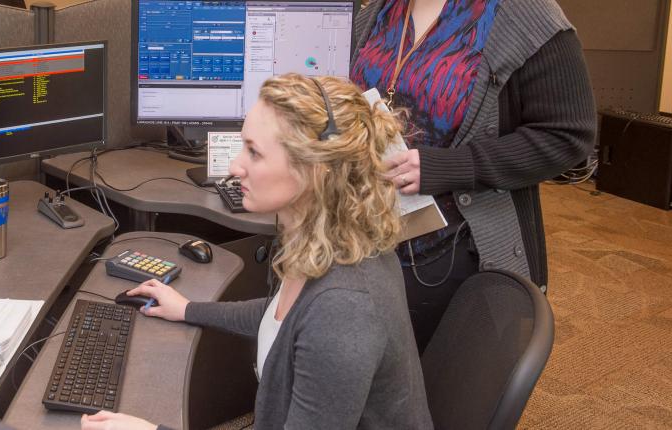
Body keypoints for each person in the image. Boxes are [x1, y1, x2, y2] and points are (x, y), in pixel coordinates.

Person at [80, 74, 432, 429]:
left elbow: (314, 324)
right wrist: (187, 309)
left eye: (254, 152)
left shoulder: (344, 309)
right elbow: (280, 319)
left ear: (314, 172)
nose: (235, 168)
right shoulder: (330, 240)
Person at [349, 0, 596, 349]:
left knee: (435, 390)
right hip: (369, 237)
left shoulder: (523, 13)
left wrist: (451, 167)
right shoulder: (377, 11)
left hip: (456, 249)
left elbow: (569, 136)